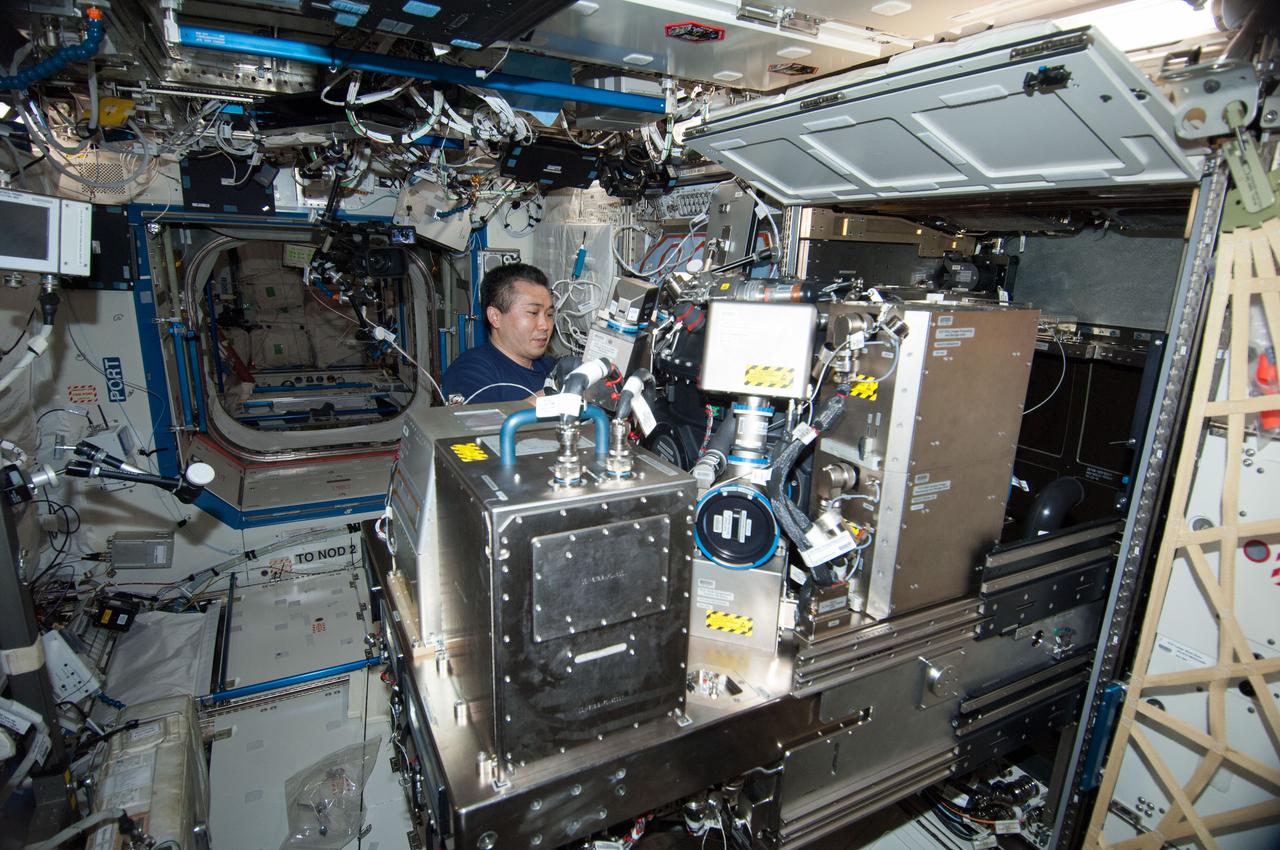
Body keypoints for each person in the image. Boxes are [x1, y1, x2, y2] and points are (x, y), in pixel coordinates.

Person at [442, 263, 556, 404]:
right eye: (533, 313)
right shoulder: (469, 372)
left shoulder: (551, 367)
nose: (544, 325)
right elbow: (477, 424)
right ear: (495, 317)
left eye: (549, 314)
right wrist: (551, 396)